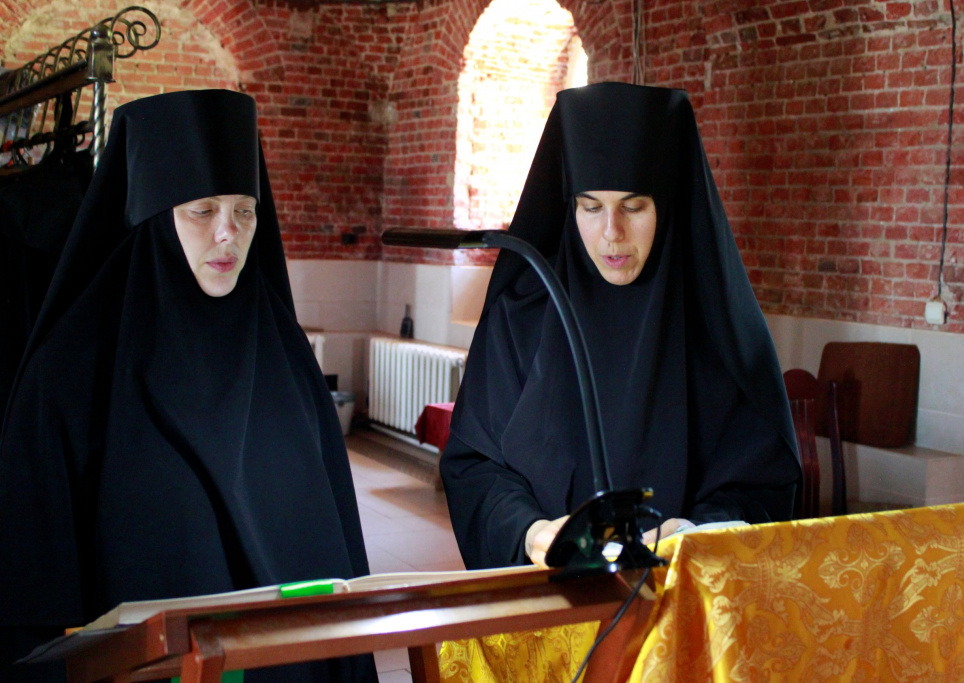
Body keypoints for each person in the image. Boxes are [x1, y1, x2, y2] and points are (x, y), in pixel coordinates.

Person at [0, 90, 377, 683]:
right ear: (155, 215)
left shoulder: (287, 359)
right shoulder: (69, 374)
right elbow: (34, 600)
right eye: (202, 211)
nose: (228, 234)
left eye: (245, 211)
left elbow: (340, 553)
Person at [439, 82, 802, 570]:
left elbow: (762, 484)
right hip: (544, 591)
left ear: (668, 204)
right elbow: (475, 464)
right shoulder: (522, 316)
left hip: (677, 595)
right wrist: (529, 531)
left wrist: (697, 532)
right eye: (591, 207)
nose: (612, 232)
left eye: (633, 206)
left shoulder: (718, 330)